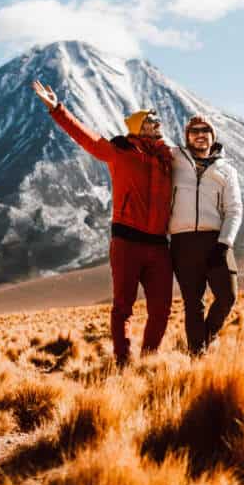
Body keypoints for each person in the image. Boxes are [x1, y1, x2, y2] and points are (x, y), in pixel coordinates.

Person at [32, 79, 174, 366]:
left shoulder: (167, 157)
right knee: (123, 307)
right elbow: (87, 139)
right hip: (127, 243)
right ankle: (123, 362)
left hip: (159, 246)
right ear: (138, 127)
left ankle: (149, 360)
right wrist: (57, 110)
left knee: (162, 309)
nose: (158, 124)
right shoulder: (118, 152)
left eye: (158, 121)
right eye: (151, 121)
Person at [169, 114, 243, 354]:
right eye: (194, 131)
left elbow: (234, 210)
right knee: (193, 305)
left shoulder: (227, 170)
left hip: (216, 241)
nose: (200, 135)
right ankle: (196, 355)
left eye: (205, 131)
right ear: (187, 137)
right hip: (183, 242)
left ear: (213, 137)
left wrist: (224, 244)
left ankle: (203, 341)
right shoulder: (173, 159)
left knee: (227, 297)